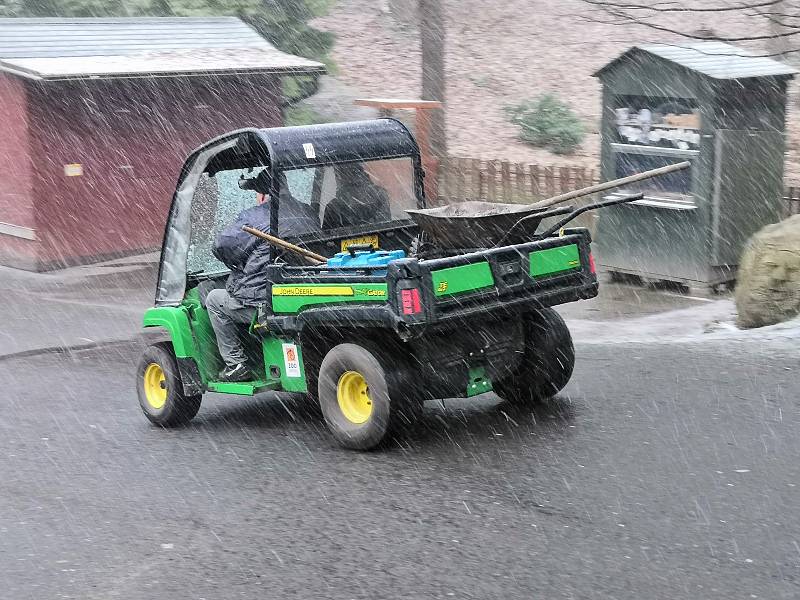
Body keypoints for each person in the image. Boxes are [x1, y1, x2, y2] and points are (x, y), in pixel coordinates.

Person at [205, 169, 316, 382]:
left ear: (262, 192)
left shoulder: (254, 217)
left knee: (214, 300)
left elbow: (221, 246)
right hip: (300, 291)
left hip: (263, 300)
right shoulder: (307, 212)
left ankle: (236, 364)